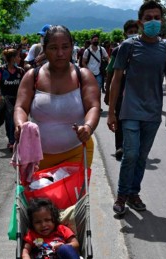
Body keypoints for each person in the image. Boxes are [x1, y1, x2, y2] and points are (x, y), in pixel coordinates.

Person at [107, 0, 166, 216]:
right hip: (130, 110)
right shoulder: (128, 46)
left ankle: (133, 193)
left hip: (153, 111)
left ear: (162, 20)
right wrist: (111, 111)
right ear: (140, 22)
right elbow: (116, 79)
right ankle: (121, 196)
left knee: (141, 156)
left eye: (157, 17)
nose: (153, 21)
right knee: (130, 154)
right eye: (148, 18)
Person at [14, 25, 101, 169]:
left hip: (77, 153)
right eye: (53, 48)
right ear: (45, 49)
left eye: (65, 47)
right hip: (37, 156)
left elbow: (93, 106)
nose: (60, 53)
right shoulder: (32, 76)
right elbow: (21, 107)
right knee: (38, 192)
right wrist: (20, 125)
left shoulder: (83, 76)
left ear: (72, 48)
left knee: (72, 192)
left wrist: (88, 127)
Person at [104, 19, 140, 161]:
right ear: (125, 34)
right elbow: (110, 72)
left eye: (135, 32)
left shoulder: (144, 49)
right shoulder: (118, 50)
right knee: (119, 118)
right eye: (130, 32)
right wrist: (108, 92)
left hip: (137, 92)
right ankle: (120, 146)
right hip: (120, 90)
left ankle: (132, 146)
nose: (133, 34)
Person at [0, 48, 25, 151]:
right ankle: (12, 141)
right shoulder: (1, 70)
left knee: (19, 120)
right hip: (7, 100)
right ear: (13, 58)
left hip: (18, 100)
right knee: (10, 120)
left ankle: (17, 140)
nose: (20, 58)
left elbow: (25, 86)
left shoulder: (20, 71)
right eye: (18, 56)